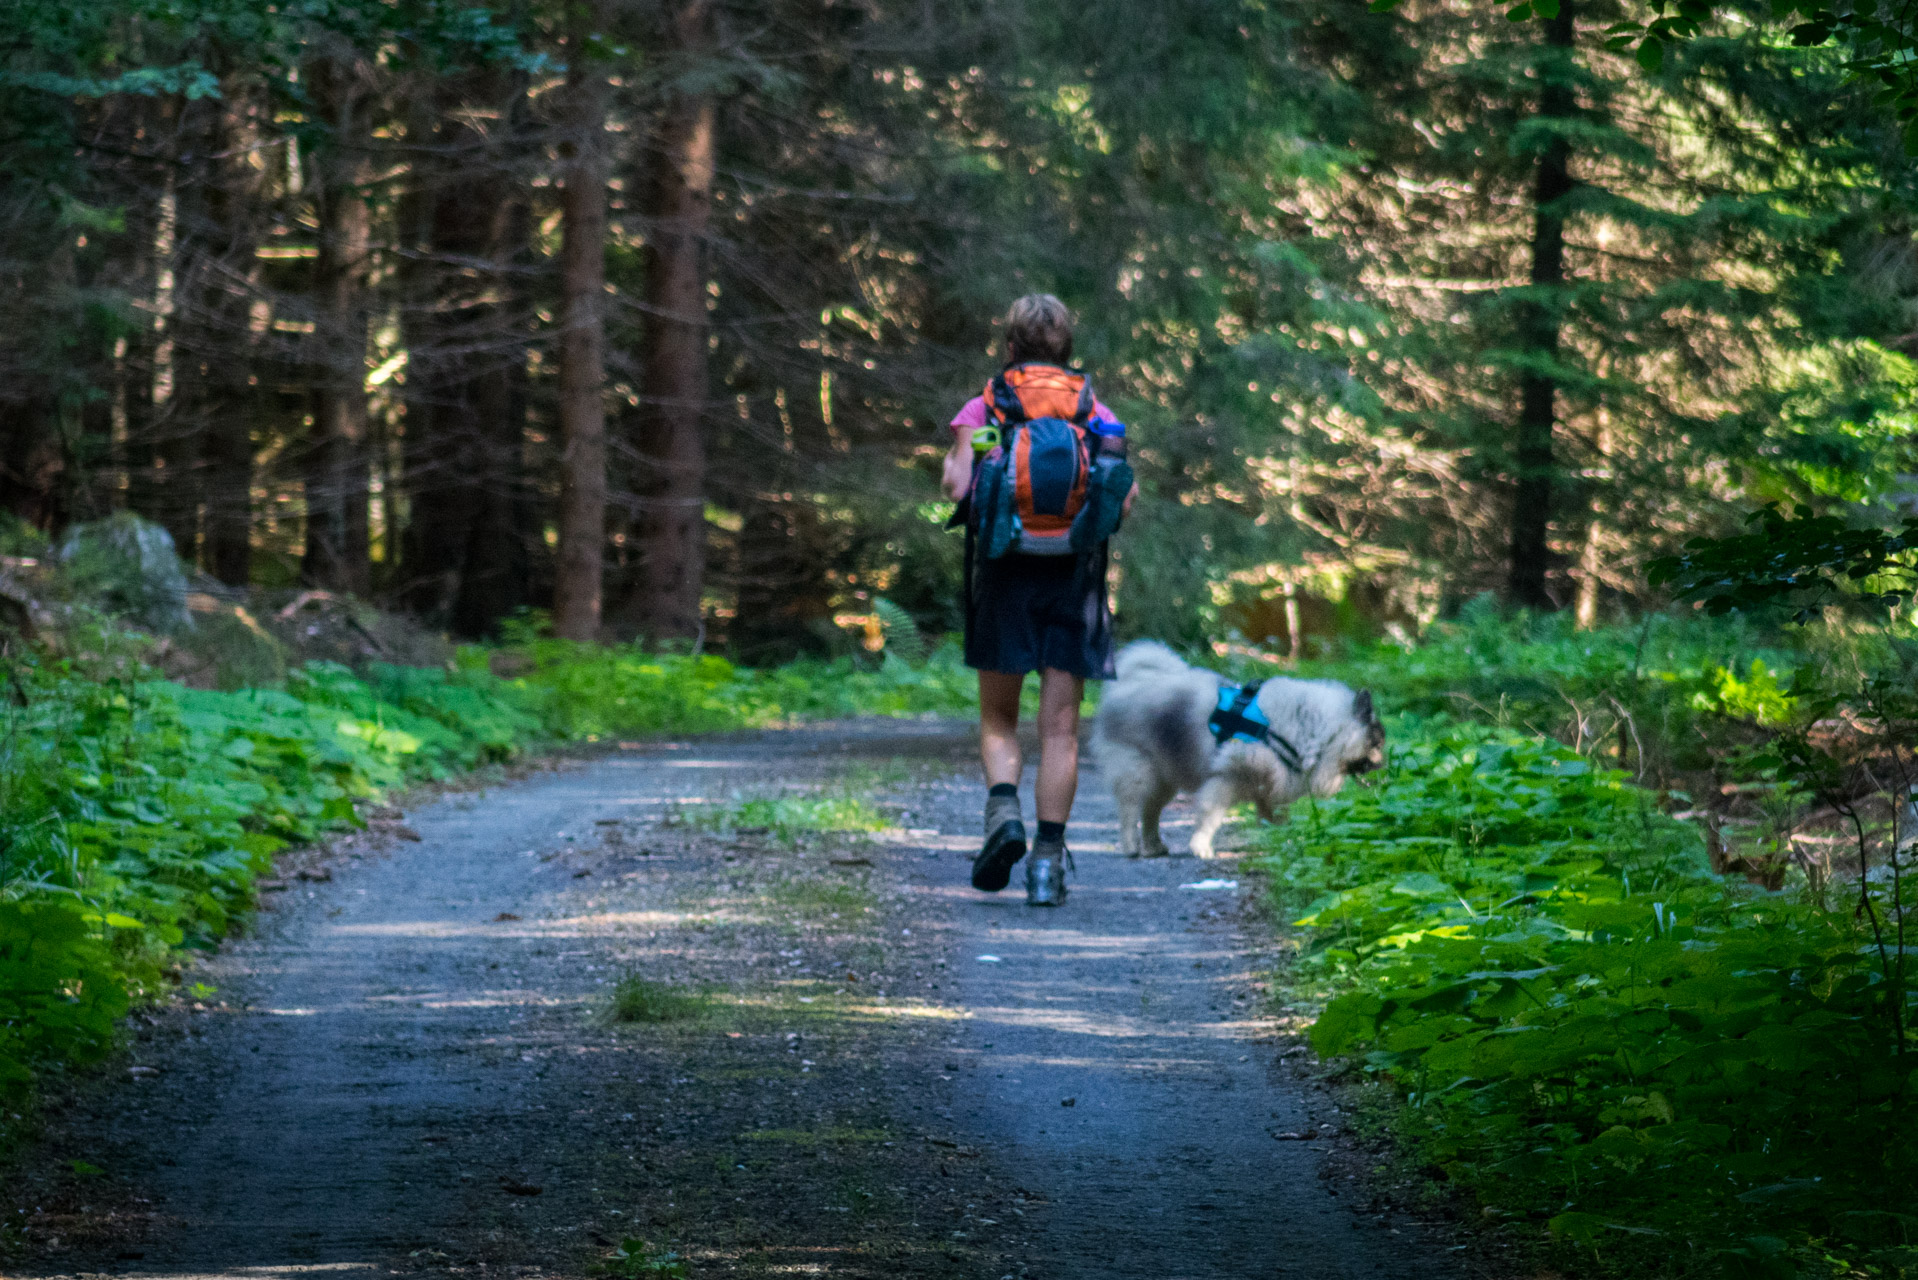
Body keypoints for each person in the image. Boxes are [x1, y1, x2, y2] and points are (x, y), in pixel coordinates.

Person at [940, 294, 1134, 906]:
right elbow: (1120, 501)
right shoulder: (1093, 412)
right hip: (1074, 582)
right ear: (1067, 349)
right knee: (1061, 733)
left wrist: (973, 454)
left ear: (1009, 348)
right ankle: (1047, 865)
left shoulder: (988, 405)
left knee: (1000, 717)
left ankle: (1004, 814)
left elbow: (957, 485)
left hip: (1002, 572)